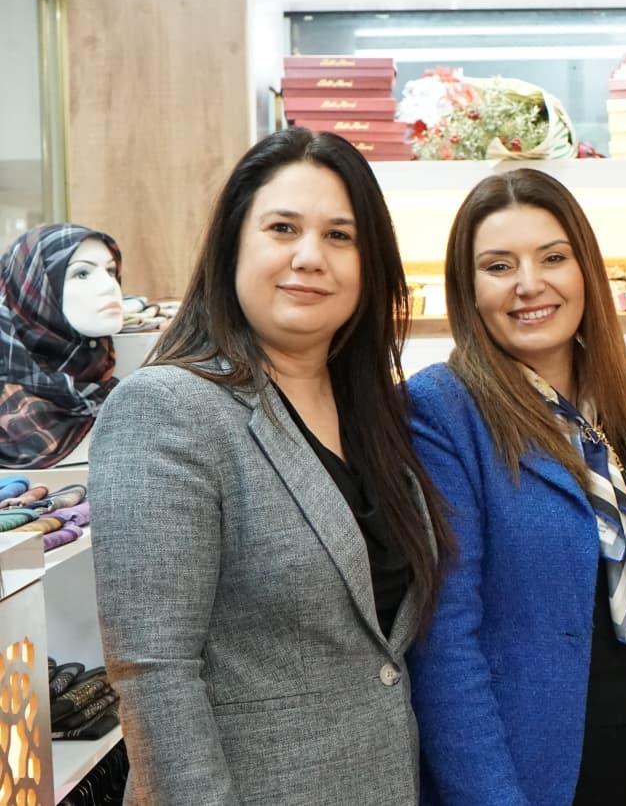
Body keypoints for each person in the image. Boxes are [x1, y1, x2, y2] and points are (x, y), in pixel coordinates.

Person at [89, 127, 454, 805]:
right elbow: (155, 674)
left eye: (340, 236)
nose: (310, 257)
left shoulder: (376, 417)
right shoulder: (168, 409)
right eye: (283, 228)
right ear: (234, 244)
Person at [403, 169, 626, 805]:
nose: (529, 284)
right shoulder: (441, 411)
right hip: (530, 771)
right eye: (498, 266)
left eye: (552, 258)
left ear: (585, 271)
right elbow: (445, 644)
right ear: (468, 287)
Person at [0, 224, 125, 468]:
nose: (110, 286)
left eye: (111, 271)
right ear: (34, 290)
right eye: (82, 273)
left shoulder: (109, 391)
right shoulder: (10, 408)